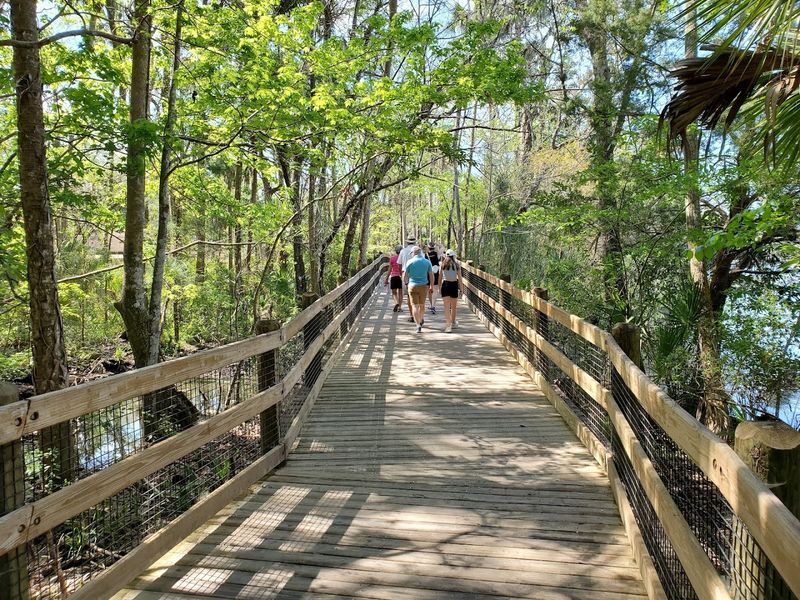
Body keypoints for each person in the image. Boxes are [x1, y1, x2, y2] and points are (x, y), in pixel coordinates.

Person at [402, 246, 433, 333]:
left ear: (413, 253)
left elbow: (405, 275)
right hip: (423, 286)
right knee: (422, 305)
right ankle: (421, 318)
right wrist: (431, 286)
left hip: (412, 285)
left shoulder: (409, 262)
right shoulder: (427, 262)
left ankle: (418, 325)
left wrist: (406, 283)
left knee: (414, 306)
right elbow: (431, 275)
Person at [440, 249, 463, 333]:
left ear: (446, 255)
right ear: (453, 256)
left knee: (446, 307)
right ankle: (453, 322)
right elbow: (460, 279)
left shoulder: (443, 265)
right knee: (453, 307)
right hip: (454, 285)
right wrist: (462, 290)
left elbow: (440, 277)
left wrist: (439, 287)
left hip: (445, 285)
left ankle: (448, 326)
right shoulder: (457, 265)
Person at [397, 236, 416, 320]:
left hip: (406, 274)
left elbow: (399, 264)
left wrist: (401, 273)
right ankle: (418, 314)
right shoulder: (419, 251)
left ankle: (412, 315)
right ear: (414, 242)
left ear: (407, 242)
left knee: (409, 295)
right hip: (417, 273)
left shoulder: (403, 251)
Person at [385, 245, 404, 311]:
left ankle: (396, 303)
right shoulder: (403, 258)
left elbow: (389, 270)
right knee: (400, 293)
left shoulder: (392, 258)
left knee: (394, 293)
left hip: (393, 277)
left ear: (396, 251)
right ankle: (400, 307)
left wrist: (386, 279)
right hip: (401, 277)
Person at [427, 242, 440, 314]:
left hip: (428, 273)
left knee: (429, 288)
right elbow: (443, 248)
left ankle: (431, 304)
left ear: (428, 248)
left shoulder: (426, 255)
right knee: (435, 289)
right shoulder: (437, 254)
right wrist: (438, 245)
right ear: (434, 247)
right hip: (435, 273)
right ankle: (433, 305)